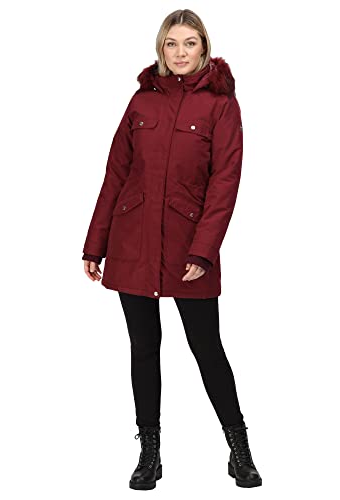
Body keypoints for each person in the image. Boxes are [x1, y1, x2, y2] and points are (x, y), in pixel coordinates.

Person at [81, 9, 262, 490]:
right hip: (133, 242)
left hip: (188, 248)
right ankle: (150, 453)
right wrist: (95, 244)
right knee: (144, 349)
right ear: (161, 49)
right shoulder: (142, 101)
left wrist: (203, 252)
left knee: (207, 348)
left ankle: (239, 449)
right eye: (171, 44)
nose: (180, 53)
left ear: (204, 47)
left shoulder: (221, 105)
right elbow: (116, 175)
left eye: (189, 43)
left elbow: (225, 183)